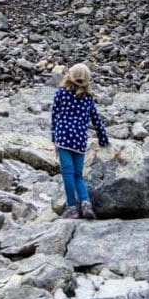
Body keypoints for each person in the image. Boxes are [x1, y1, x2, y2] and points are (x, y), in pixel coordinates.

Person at [51, 62, 109, 219]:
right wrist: (103, 138)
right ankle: (85, 203)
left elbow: (54, 117)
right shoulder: (88, 98)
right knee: (78, 175)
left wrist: (54, 139)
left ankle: (71, 208)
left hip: (63, 138)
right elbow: (96, 120)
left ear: (69, 76)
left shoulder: (61, 93)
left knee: (67, 174)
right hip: (79, 140)